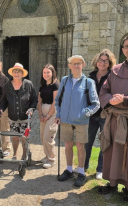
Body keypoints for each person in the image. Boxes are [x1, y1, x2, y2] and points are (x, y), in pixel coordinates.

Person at [55, 55, 100, 187]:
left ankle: (81, 173)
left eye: (78, 64)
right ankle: (69, 169)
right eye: (73, 64)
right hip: (65, 120)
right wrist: (59, 114)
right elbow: (57, 100)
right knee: (68, 145)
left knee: (80, 147)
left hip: (81, 121)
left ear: (83, 65)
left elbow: (96, 104)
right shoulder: (64, 81)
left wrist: (85, 113)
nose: (76, 66)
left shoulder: (88, 82)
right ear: (69, 66)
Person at [75, 50, 116, 179]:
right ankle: (84, 166)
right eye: (100, 60)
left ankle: (100, 169)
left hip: (105, 114)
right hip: (91, 115)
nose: (102, 63)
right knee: (87, 141)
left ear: (109, 63)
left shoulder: (112, 76)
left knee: (104, 142)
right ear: (96, 62)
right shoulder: (90, 76)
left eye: (105, 61)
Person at [98, 36, 128, 199]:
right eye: (126, 46)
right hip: (114, 119)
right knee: (112, 151)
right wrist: (110, 99)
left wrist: (123, 99)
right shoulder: (115, 71)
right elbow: (104, 91)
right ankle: (112, 183)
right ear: (123, 50)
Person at [0, 63, 37, 160]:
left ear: (22, 74)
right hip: (13, 116)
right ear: (12, 73)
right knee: (15, 137)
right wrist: (1, 109)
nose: (16, 73)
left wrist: (31, 109)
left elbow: (34, 99)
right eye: (15, 71)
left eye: (19, 71)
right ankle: (15, 154)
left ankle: (24, 154)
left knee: (24, 137)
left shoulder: (28, 84)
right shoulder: (7, 86)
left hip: (25, 116)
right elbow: (4, 100)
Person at [37, 64, 59, 169]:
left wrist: (48, 115)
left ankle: (51, 159)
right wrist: (40, 114)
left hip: (53, 113)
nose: (46, 74)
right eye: (44, 72)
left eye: (48, 72)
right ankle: (46, 156)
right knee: (42, 136)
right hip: (43, 112)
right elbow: (39, 100)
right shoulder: (43, 85)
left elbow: (55, 102)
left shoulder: (56, 85)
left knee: (48, 136)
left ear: (52, 73)